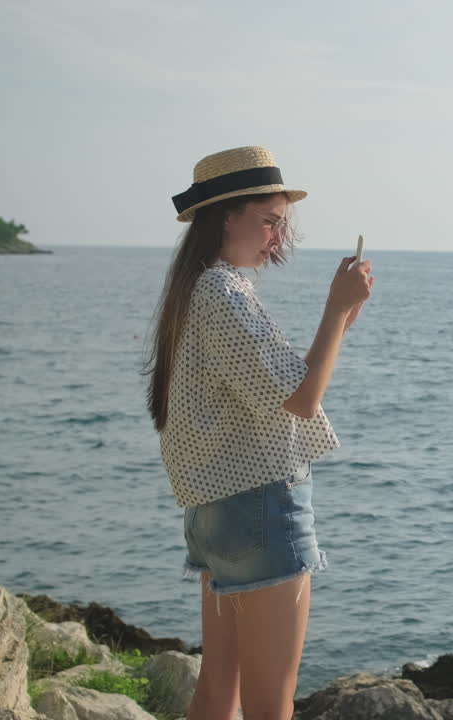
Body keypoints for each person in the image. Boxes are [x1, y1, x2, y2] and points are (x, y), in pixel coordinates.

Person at [143, 146, 372, 720]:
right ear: (226, 215)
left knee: (218, 692)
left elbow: (283, 388)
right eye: (268, 221)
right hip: (261, 507)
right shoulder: (222, 293)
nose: (276, 237)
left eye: (281, 224)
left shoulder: (194, 290)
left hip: (215, 511)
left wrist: (342, 318)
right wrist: (334, 309)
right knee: (271, 706)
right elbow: (301, 398)